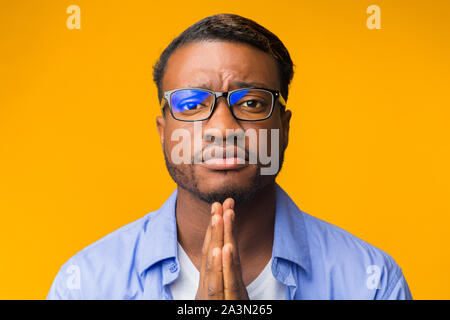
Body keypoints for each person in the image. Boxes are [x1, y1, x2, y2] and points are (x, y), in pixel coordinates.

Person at [47, 13, 412, 300]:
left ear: (283, 129)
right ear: (164, 131)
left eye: (251, 103)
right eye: (191, 104)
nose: (222, 128)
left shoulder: (372, 284)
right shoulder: (85, 286)